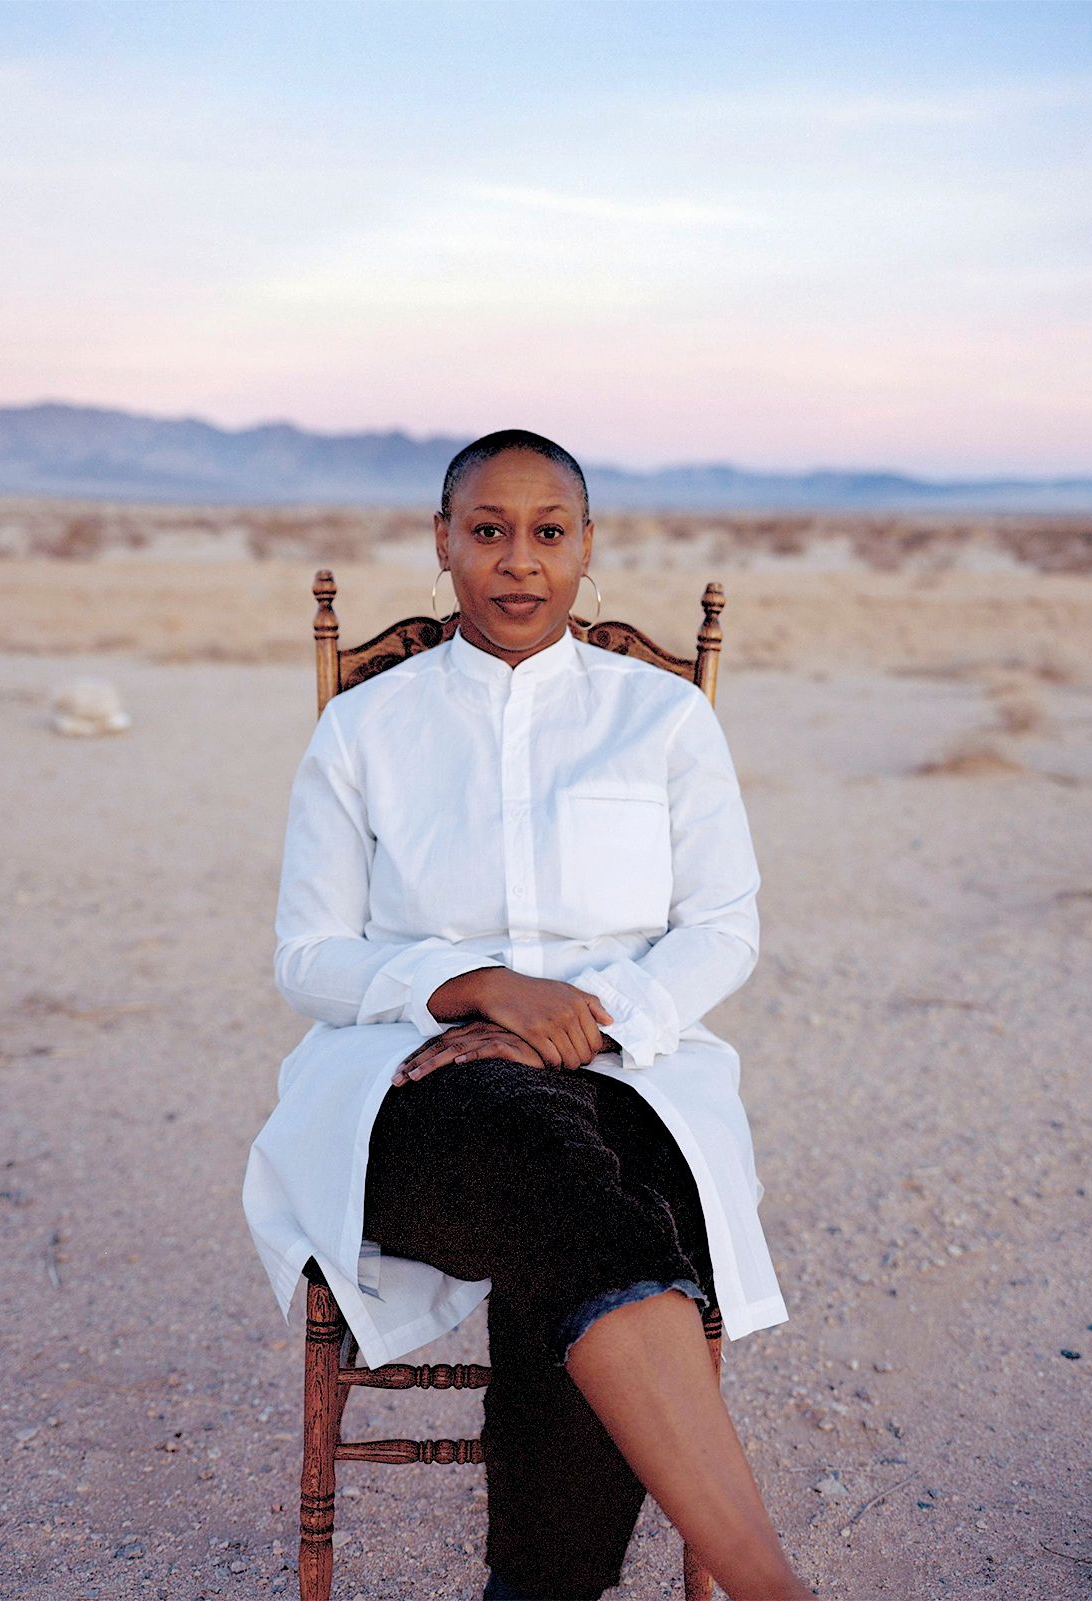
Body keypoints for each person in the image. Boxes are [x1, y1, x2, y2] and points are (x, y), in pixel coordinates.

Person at [242, 430, 811, 1600]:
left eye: (547, 532)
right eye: (486, 530)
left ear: (585, 547)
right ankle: (766, 1586)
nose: (517, 561)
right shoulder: (365, 727)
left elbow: (722, 926)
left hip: (631, 1068)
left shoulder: (659, 721)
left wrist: (586, 1018)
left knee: (598, 1203)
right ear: (441, 541)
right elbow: (308, 955)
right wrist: (471, 991)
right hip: (421, 1084)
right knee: (554, 1170)